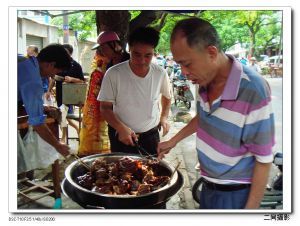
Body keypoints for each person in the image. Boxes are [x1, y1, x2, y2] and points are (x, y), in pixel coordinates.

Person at [157, 18, 275, 209]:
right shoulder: (204, 81)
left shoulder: (253, 89)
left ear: (211, 52)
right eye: (179, 64)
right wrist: (174, 140)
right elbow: (205, 117)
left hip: (236, 195)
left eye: (187, 64)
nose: (184, 72)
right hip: (208, 185)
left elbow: (264, 159)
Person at [98, 27, 172, 156]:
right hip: (121, 136)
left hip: (150, 136)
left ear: (154, 52)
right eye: (136, 54)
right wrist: (120, 128)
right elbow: (105, 108)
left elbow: (167, 96)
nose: (142, 61)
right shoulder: (114, 73)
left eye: (148, 55)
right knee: (121, 173)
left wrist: (164, 117)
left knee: (152, 172)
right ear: (129, 49)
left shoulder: (160, 73)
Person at [78, 31, 130, 156]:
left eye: (103, 48)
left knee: (129, 150)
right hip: (112, 112)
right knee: (116, 149)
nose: (102, 51)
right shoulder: (109, 64)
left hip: (128, 110)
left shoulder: (129, 60)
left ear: (113, 45)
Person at [18, 44, 72, 160]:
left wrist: (41, 106)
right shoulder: (32, 80)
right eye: (57, 71)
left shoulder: (24, 60)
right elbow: (37, 122)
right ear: (50, 64)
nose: (54, 75)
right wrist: (58, 145)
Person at [47, 44, 85, 143]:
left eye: (64, 52)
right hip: (60, 93)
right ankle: (69, 133)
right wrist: (48, 90)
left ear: (70, 53)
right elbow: (53, 79)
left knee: (65, 115)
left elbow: (82, 81)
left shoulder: (76, 65)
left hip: (72, 95)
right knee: (62, 115)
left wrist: (72, 79)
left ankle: (66, 136)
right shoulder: (58, 64)